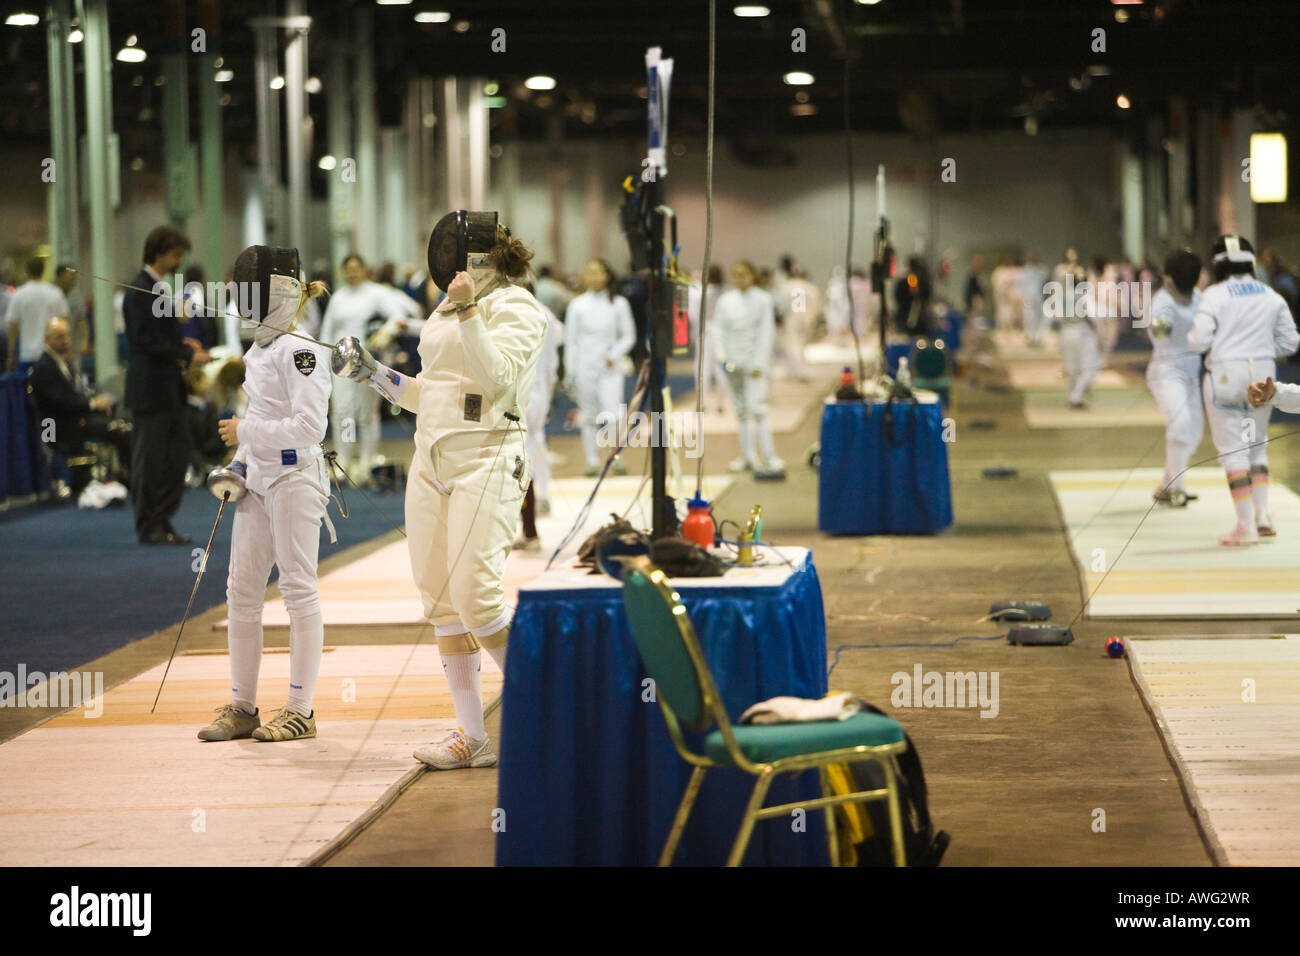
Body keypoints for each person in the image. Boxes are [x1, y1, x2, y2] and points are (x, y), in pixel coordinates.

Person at [331, 210, 546, 770]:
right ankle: (472, 738)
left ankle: (551, 711)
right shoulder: (444, 311)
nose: (449, 261)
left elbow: (497, 380)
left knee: (477, 596)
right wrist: (373, 372)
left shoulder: (517, 307)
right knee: (443, 602)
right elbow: (430, 393)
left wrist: (472, 308)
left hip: (489, 455)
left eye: (460, 252)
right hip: (431, 461)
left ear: (487, 257)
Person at [198, 247, 334, 743]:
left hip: (296, 480)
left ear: (272, 294)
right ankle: (242, 706)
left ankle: (301, 710)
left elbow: (310, 427)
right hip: (257, 481)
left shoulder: (302, 350)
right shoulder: (258, 350)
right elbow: (261, 419)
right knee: (242, 592)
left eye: (247, 287)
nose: (238, 296)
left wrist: (246, 432)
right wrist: (238, 463)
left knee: (298, 590)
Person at [1189, 235, 1299, 546]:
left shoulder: (1212, 295)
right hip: (1263, 376)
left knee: (1232, 450)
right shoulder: (1270, 294)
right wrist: (1262, 348)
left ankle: (1244, 525)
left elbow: (1197, 342)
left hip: (1225, 376)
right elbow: (1291, 343)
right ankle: (1263, 516)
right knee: (1256, 443)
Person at [123, 226, 209, 545]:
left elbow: (159, 336)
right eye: (176, 255)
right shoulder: (139, 290)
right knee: (150, 462)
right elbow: (143, 342)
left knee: (177, 455)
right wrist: (187, 353)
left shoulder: (158, 287)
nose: (179, 261)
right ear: (161, 253)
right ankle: (149, 525)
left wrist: (180, 342)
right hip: (150, 391)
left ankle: (163, 517)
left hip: (169, 390)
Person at [318, 253, 421, 482]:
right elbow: (327, 331)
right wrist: (325, 364)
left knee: (366, 413)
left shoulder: (376, 294)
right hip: (341, 364)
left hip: (368, 361)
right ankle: (344, 460)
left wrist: (382, 336)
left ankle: (367, 461)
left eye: (357, 268)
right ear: (343, 271)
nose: (352, 272)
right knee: (343, 412)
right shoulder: (338, 297)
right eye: (348, 268)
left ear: (364, 269)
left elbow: (398, 317)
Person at [27, 316, 131, 486]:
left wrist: (96, 402)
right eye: (60, 337)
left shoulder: (63, 363)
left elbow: (74, 396)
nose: (66, 341)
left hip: (71, 418)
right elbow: (62, 403)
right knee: (116, 429)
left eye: (67, 335)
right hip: (54, 426)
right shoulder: (43, 367)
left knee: (121, 422)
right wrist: (92, 404)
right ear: (47, 340)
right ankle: (127, 477)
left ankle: (121, 472)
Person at [563, 259, 636, 476]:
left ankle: (616, 456)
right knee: (588, 415)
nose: (594, 277)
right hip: (585, 367)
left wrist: (613, 355)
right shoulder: (577, 305)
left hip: (610, 369)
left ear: (607, 275)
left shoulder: (619, 304)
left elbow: (629, 336)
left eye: (598, 272)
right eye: (590, 272)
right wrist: (570, 372)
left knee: (613, 414)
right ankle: (592, 460)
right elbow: (571, 341)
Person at [1144, 250, 1205, 507]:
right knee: (1180, 423)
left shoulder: (1200, 297)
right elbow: (1159, 335)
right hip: (1166, 371)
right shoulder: (1162, 301)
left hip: (1192, 371)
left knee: (1194, 432)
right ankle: (1177, 489)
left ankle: (1166, 485)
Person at [716, 260, 784, 478]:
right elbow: (719, 332)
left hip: (754, 363)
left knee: (759, 411)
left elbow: (766, 333)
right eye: (736, 274)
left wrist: (759, 363)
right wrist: (724, 359)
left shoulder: (763, 300)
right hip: (733, 363)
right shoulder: (725, 301)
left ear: (752, 275)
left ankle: (769, 457)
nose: (739, 278)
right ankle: (747, 456)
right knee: (741, 412)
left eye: (744, 274)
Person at [515, 282, 564, 550]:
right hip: (539, 393)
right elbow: (553, 363)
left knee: (521, 459)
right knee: (534, 448)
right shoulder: (545, 313)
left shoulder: (517, 313)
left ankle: (530, 528)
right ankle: (541, 500)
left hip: (523, 395)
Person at [6, 257, 68, 375]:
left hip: (27, 354)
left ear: (27, 271)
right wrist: (67, 350)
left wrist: (10, 354)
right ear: (44, 270)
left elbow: (13, 326)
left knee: (27, 391)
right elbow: (64, 323)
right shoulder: (55, 293)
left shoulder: (18, 294)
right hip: (51, 354)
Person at [777, 263, 820, 381]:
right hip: (806, 318)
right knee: (801, 345)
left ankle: (798, 370)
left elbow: (781, 305)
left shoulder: (787, 286)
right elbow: (816, 305)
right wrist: (813, 318)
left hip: (793, 318)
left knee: (793, 345)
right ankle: (793, 370)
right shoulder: (810, 287)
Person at [1021, 253, 1050, 346]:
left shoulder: (1042, 270)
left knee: (1039, 318)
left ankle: (1038, 337)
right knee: (1029, 318)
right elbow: (1022, 286)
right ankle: (1030, 337)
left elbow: (1047, 281)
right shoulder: (1025, 271)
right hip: (1028, 298)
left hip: (1039, 298)